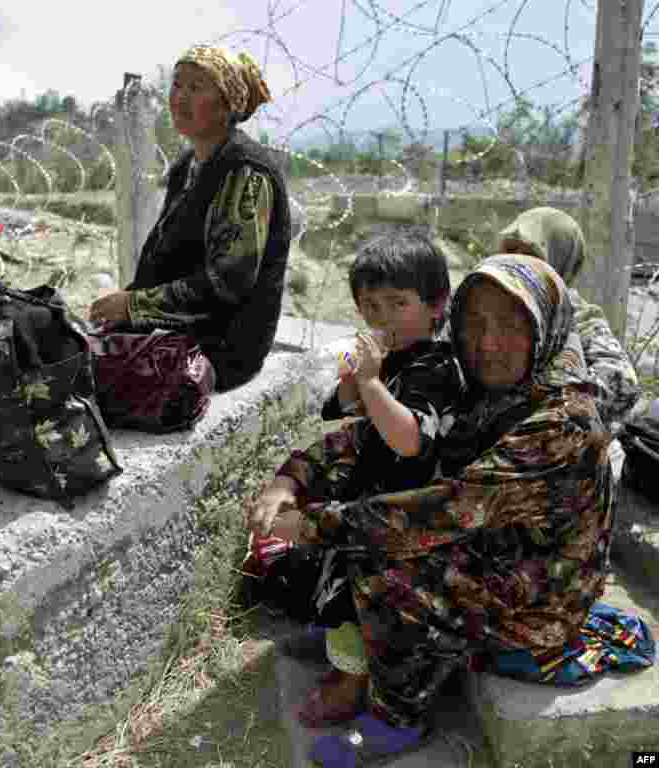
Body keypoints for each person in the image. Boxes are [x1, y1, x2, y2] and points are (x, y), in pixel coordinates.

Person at [249, 255, 614, 766]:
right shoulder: (482, 385)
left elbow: (440, 512)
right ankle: (362, 646)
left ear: (542, 329)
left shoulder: (562, 422)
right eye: (475, 324)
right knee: (371, 491)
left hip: (541, 599)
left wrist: (310, 525)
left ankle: (395, 720)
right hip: (494, 547)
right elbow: (368, 438)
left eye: (510, 327)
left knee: (386, 558)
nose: (488, 343)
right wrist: (291, 479)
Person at [243, 228, 464, 728]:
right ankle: (341, 647)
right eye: (371, 306)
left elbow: (409, 439)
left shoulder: (437, 367)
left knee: (353, 580)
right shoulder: (393, 359)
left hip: (408, 517)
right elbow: (339, 411)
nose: (384, 319)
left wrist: (369, 382)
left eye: (398, 303)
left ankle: (352, 681)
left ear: (436, 305)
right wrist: (354, 374)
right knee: (323, 569)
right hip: (372, 494)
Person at [88, 45, 292, 392]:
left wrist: (134, 306)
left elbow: (227, 283)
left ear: (227, 104)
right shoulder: (188, 167)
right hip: (181, 329)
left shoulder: (246, 173)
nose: (180, 97)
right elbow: (169, 261)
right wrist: (126, 304)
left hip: (222, 349)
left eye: (197, 87)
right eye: (177, 84)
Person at [497, 206, 641, 427]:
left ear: (559, 265)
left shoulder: (577, 317)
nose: (514, 262)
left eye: (530, 255)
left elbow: (622, 381)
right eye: (509, 249)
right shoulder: (483, 301)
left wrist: (552, 411)